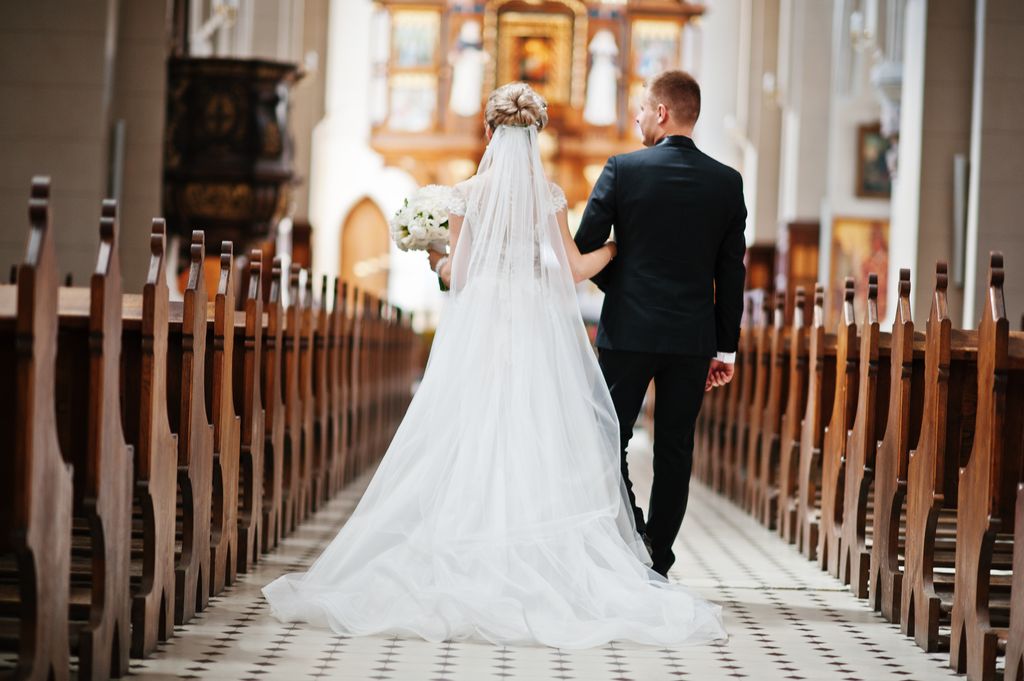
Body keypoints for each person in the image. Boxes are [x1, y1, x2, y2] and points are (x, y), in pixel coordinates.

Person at [263, 82, 726, 649]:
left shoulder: (465, 195)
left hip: (483, 328)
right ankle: (586, 557)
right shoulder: (550, 195)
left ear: (488, 132)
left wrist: (435, 256)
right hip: (535, 326)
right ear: (535, 135)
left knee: (475, 431)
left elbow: (457, 274)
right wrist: (618, 251)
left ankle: (467, 544)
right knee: (536, 431)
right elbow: (573, 269)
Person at [574, 70, 747, 577]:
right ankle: (658, 558)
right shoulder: (726, 182)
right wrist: (725, 348)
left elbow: (585, 247)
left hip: (628, 331)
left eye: (643, 109)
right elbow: (730, 273)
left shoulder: (623, 170)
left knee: (609, 437)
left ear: (663, 113)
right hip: (692, 340)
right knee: (675, 447)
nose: (637, 117)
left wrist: (624, 287)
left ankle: (631, 532)